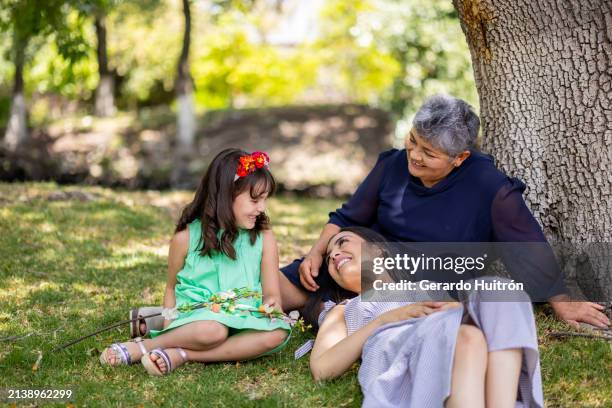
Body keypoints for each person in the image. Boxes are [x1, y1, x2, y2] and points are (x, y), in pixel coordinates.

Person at [281, 94, 610, 329]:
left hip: (429, 276)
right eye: (413, 140)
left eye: (429, 152)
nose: (414, 155)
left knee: (355, 268)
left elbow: (525, 245)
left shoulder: (489, 187)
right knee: (293, 280)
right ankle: (263, 307)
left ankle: (332, 308)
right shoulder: (393, 163)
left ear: (460, 158)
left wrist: (561, 300)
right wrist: (316, 251)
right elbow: (347, 218)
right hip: (370, 258)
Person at [304, 227, 544, 408]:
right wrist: (386, 319)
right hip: (402, 345)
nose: (334, 254)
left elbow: (457, 315)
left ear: (377, 248)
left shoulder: (424, 287)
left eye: (342, 242)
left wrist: (456, 311)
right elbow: (322, 369)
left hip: (448, 331)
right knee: (466, 337)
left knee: (499, 292)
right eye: (328, 258)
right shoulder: (344, 310)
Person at [100, 148, 290, 375]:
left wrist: (272, 308)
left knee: (279, 332)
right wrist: (170, 327)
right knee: (213, 331)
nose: (261, 208)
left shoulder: (264, 237)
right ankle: (144, 346)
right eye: (254, 199)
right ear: (226, 194)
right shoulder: (186, 238)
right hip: (198, 320)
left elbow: (272, 295)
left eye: (264, 199)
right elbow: (172, 288)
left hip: (244, 317)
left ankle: (183, 353)